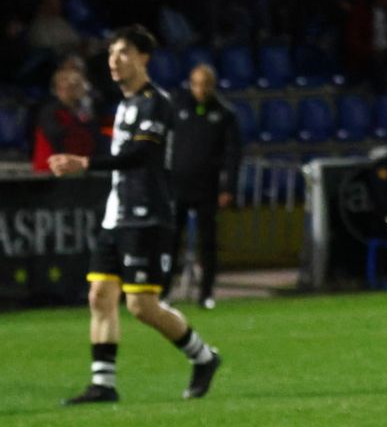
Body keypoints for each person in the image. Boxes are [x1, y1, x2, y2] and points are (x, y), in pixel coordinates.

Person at [48, 25, 222, 404]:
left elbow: (141, 156)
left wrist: (85, 162)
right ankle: (103, 384)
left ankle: (204, 357)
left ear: (144, 58)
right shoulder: (125, 105)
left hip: (147, 214)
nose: (114, 60)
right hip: (117, 214)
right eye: (111, 53)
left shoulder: (156, 103)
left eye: (123, 52)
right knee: (100, 295)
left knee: (141, 306)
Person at [169, 63, 243, 309]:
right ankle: (164, 291)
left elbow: (233, 155)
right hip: (178, 185)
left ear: (212, 86)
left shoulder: (224, 114)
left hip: (208, 188)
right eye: (196, 84)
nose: (200, 89)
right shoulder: (177, 107)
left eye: (205, 84)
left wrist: (228, 188)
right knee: (170, 241)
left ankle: (206, 294)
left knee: (208, 243)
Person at [30, 65, 98, 173]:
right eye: (69, 87)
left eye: (77, 86)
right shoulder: (49, 112)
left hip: (77, 168)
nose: (73, 91)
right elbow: (56, 136)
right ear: (58, 89)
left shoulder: (85, 111)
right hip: (50, 171)